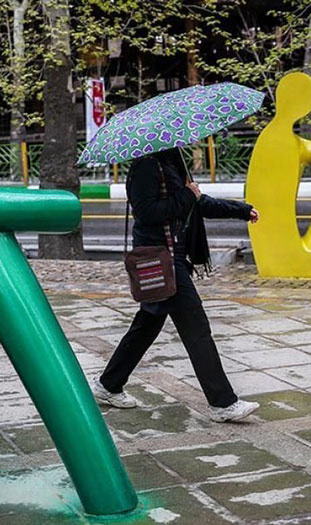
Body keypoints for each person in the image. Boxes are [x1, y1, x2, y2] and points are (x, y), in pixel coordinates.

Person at [92, 147, 261, 422]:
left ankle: (108, 384)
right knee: (197, 329)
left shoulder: (172, 161)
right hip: (161, 261)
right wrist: (187, 195)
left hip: (173, 259)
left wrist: (242, 210)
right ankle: (223, 404)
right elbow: (147, 212)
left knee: (145, 327)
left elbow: (198, 203)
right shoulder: (146, 167)